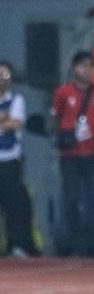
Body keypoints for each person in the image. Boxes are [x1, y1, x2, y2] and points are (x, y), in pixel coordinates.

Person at [50, 51, 94, 256]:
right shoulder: (63, 92)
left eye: (90, 66)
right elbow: (55, 119)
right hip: (70, 155)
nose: (86, 70)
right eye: (82, 66)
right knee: (71, 199)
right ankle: (73, 246)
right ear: (74, 67)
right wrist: (65, 135)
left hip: (93, 154)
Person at [0, 61, 39, 257]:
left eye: (5, 74)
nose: (1, 78)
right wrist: (3, 118)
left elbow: (15, 123)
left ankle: (15, 243)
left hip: (8, 158)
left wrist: (6, 121)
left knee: (12, 202)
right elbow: (6, 120)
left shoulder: (16, 99)